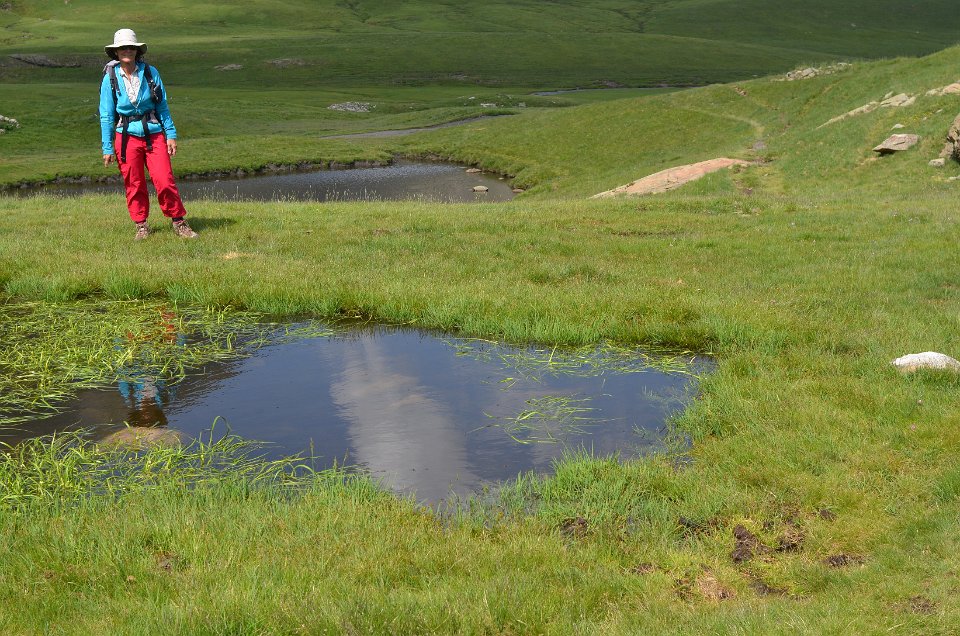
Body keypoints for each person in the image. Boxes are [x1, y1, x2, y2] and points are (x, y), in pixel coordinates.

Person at [99, 28, 198, 240]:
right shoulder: (110, 78)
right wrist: (107, 146)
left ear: (137, 51)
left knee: (164, 179)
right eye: (122, 48)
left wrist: (170, 134)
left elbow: (162, 106)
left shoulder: (151, 73)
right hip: (125, 137)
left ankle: (179, 222)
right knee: (134, 183)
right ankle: (141, 225)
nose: (127, 50)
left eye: (130, 47)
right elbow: (106, 115)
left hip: (154, 134)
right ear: (116, 52)